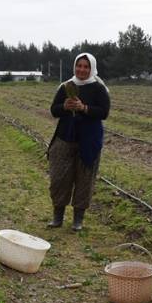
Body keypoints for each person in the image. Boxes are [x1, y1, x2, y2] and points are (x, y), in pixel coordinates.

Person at [47, 53, 111, 231]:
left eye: (86, 66)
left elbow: (104, 112)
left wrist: (84, 108)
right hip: (65, 137)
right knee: (59, 178)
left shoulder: (99, 89)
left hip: (89, 139)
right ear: (74, 67)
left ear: (92, 68)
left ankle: (78, 220)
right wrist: (65, 107)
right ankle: (57, 217)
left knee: (84, 179)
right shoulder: (66, 86)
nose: (82, 69)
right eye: (79, 66)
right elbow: (54, 110)